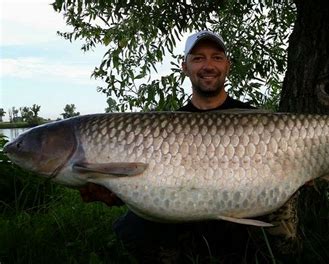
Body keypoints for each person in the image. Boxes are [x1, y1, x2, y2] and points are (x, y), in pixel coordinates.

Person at [79, 30, 299, 263]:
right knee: (131, 227)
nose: (208, 65)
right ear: (184, 67)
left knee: (281, 212)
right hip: (186, 211)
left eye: (216, 57)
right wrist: (119, 192)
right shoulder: (164, 126)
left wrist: (300, 169)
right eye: (198, 58)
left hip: (252, 201)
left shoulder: (258, 120)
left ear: (227, 65)